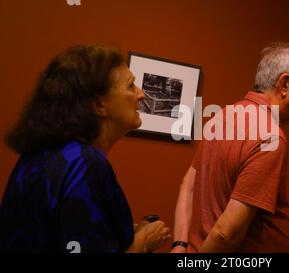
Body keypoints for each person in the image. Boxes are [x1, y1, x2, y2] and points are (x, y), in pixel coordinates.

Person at [0, 44, 171, 252]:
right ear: (99, 104)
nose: (141, 94)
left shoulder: (39, 155)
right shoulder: (85, 163)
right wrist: (144, 241)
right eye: (131, 86)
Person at [171, 42, 289, 253]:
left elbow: (188, 184)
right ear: (284, 84)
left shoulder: (223, 115)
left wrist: (179, 245)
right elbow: (225, 234)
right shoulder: (270, 138)